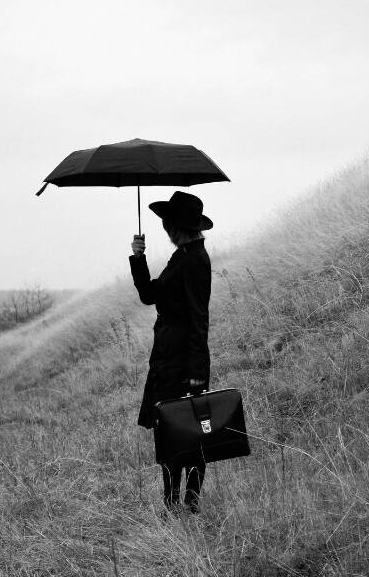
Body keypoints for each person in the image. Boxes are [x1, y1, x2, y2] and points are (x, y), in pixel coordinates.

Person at [129, 190, 213, 514]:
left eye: (167, 223)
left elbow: (198, 318)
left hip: (182, 363)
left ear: (175, 226)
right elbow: (150, 295)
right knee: (168, 432)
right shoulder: (182, 255)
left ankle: (188, 505)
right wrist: (138, 257)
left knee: (188, 435)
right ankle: (171, 502)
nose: (164, 227)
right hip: (167, 358)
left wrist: (196, 373)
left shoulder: (195, 259)